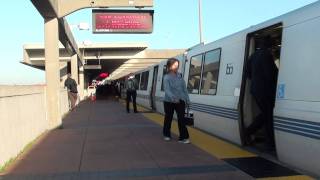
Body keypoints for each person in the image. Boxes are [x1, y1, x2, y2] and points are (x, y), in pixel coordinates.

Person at [246, 36, 278, 147]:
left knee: (266, 114)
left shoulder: (253, 56)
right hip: (266, 90)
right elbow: (272, 75)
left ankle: (249, 132)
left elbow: (248, 73)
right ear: (269, 45)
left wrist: (256, 81)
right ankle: (270, 142)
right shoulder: (267, 55)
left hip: (255, 90)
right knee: (268, 115)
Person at [163, 58, 191, 144]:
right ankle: (166, 134)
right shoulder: (166, 77)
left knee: (181, 119)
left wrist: (187, 100)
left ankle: (183, 137)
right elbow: (167, 90)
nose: (177, 66)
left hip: (180, 100)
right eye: (174, 65)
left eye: (177, 65)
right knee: (168, 118)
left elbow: (184, 89)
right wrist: (173, 98)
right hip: (169, 101)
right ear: (169, 66)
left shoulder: (180, 76)